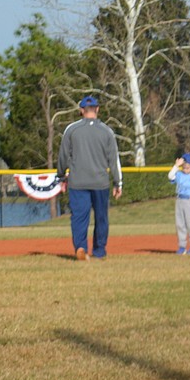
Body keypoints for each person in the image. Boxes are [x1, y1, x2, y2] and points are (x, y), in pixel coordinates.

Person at [56, 95, 123, 261]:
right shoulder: (107, 131)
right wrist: (117, 182)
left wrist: (61, 176)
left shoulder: (71, 129)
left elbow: (63, 156)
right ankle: (99, 251)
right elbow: (114, 159)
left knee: (79, 217)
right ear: (97, 109)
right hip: (100, 182)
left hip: (77, 182)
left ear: (81, 111)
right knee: (101, 217)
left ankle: (81, 247)